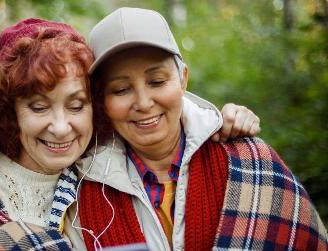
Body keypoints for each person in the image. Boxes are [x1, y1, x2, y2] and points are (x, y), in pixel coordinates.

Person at [0, 18, 260, 250]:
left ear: (96, 107)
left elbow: (159, 114)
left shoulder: (100, 175)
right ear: (10, 111)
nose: (61, 127)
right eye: (39, 107)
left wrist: (219, 117)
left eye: (76, 106)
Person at [64, 7, 328, 251]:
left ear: (183, 80)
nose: (144, 103)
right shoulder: (79, 193)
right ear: (101, 100)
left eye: (156, 81)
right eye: (121, 89)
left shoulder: (249, 163)